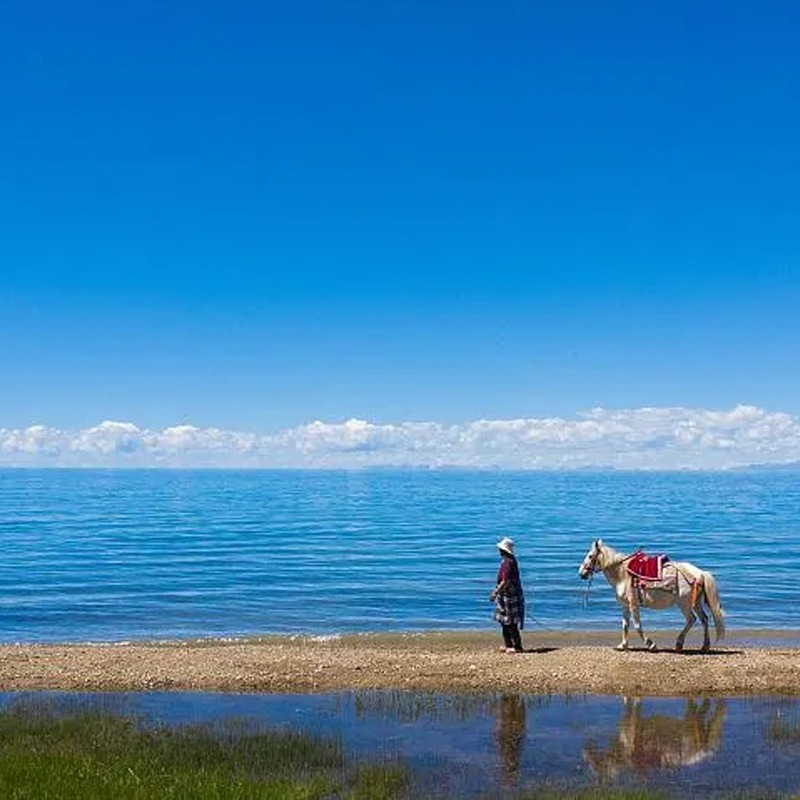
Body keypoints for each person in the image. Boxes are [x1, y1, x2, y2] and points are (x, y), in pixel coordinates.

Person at [490, 537, 525, 653]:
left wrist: (495, 593)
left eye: (500, 549)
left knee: (510, 622)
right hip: (509, 594)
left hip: (509, 596)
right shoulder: (510, 561)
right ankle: (509, 644)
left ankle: (516, 646)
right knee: (505, 621)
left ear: (503, 550)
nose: (498, 551)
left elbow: (505, 581)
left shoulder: (508, 563)